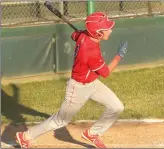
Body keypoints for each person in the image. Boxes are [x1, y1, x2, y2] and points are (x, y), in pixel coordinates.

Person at [15, 12, 128, 148]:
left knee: (116, 107)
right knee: (60, 120)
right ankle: (25, 136)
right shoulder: (90, 51)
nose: (110, 30)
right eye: (106, 29)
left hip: (92, 83)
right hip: (78, 88)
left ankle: (93, 133)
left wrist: (80, 34)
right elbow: (106, 72)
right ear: (97, 33)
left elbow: (74, 35)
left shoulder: (84, 36)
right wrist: (119, 55)